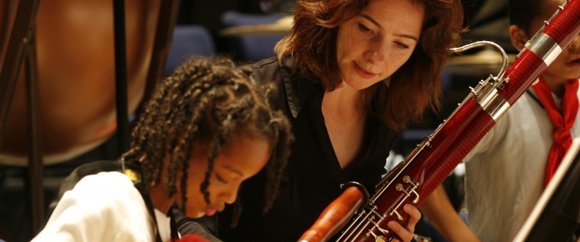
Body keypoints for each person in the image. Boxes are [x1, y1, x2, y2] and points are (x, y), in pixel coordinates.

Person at [205, 0, 465, 241]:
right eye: (366, 28)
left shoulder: (385, 108)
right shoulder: (254, 94)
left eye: (402, 44)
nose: (377, 57)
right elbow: (189, 216)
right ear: (335, 16)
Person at [30, 56, 293, 242]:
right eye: (224, 177)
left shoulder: (165, 226)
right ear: (179, 141)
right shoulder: (107, 199)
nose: (231, 197)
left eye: (241, 183)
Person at [422, 0, 580, 241]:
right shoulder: (500, 104)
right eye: (561, 29)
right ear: (519, 38)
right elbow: (423, 172)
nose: (577, 43)